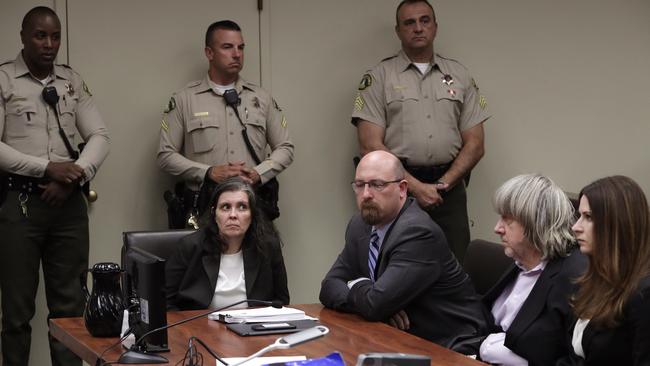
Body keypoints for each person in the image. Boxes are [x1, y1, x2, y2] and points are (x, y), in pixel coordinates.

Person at [0, 6, 110, 366]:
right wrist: (46, 167)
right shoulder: (4, 80)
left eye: (56, 36)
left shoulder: (71, 81)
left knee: (70, 310)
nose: (49, 44)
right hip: (21, 203)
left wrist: (74, 173)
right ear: (23, 36)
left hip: (68, 206)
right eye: (40, 35)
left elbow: (99, 135)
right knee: (17, 310)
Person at [351, 0, 490, 262]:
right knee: (398, 265)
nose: (418, 28)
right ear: (398, 30)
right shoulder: (379, 77)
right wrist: (416, 187)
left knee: (456, 266)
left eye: (424, 20)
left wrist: (442, 185)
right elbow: (370, 145)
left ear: (435, 27)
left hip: (449, 191)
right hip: (397, 190)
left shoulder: (460, 75)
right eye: (409, 22)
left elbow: (476, 143)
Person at [319, 150, 487, 352]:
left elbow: (374, 304)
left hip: (449, 345)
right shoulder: (360, 224)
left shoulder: (417, 233)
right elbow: (329, 286)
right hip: (398, 338)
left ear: (402, 188)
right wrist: (378, 302)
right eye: (360, 185)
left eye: (377, 184)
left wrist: (364, 291)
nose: (366, 194)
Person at [158, 20, 294, 225]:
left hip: (251, 208)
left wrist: (259, 173)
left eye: (241, 47)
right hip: (204, 208)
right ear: (209, 53)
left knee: (260, 257)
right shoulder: (184, 100)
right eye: (227, 47)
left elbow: (286, 147)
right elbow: (165, 155)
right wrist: (208, 172)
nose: (237, 54)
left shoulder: (261, 98)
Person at [475, 174, 587, 365]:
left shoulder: (573, 275)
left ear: (535, 223)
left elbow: (575, 358)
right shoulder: (520, 261)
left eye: (507, 219)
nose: (497, 228)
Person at [557, 176, 650, 365]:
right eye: (579, 216)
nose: (575, 227)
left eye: (588, 217)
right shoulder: (593, 276)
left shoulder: (643, 295)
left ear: (618, 224)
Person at [165, 177, 289, 310]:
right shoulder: (189, 246)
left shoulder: (268, 247)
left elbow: (281, 302)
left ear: (252, 215)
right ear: (214, 214)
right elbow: (166, 303)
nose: (233, 215)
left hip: (253, 328)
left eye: (242, 207)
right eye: (225, 207)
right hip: (200, 328)